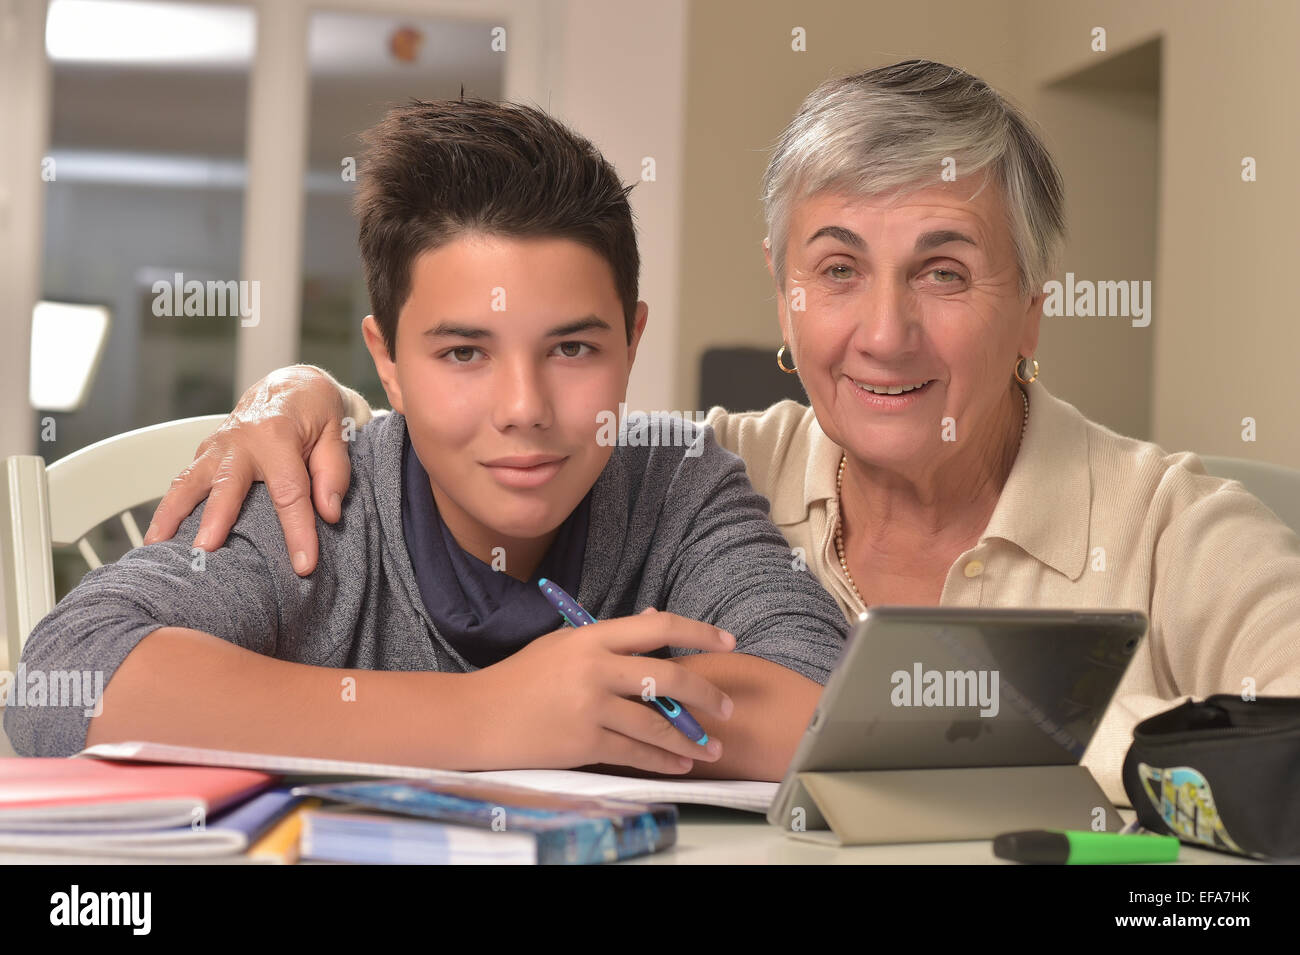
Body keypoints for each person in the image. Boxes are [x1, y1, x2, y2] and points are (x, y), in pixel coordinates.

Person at [147, 60, 1300, 807]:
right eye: (837, 270)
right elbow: (485, 438)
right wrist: (294, 397)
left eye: (942, 271)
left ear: (1032, 304)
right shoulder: (706, 467)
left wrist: (1081, 748)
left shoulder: (1175, 527)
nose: (884, 333)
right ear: (784, 294)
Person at [5, 99, 851, 779]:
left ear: (631, 342)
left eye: (572, 348)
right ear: (389, 363)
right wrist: (494, 716)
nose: (524, 407)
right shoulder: (320, 504)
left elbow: (823, 702)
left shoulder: (676, 483)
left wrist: (582, 708)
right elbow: (64, 677)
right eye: (463, 353)